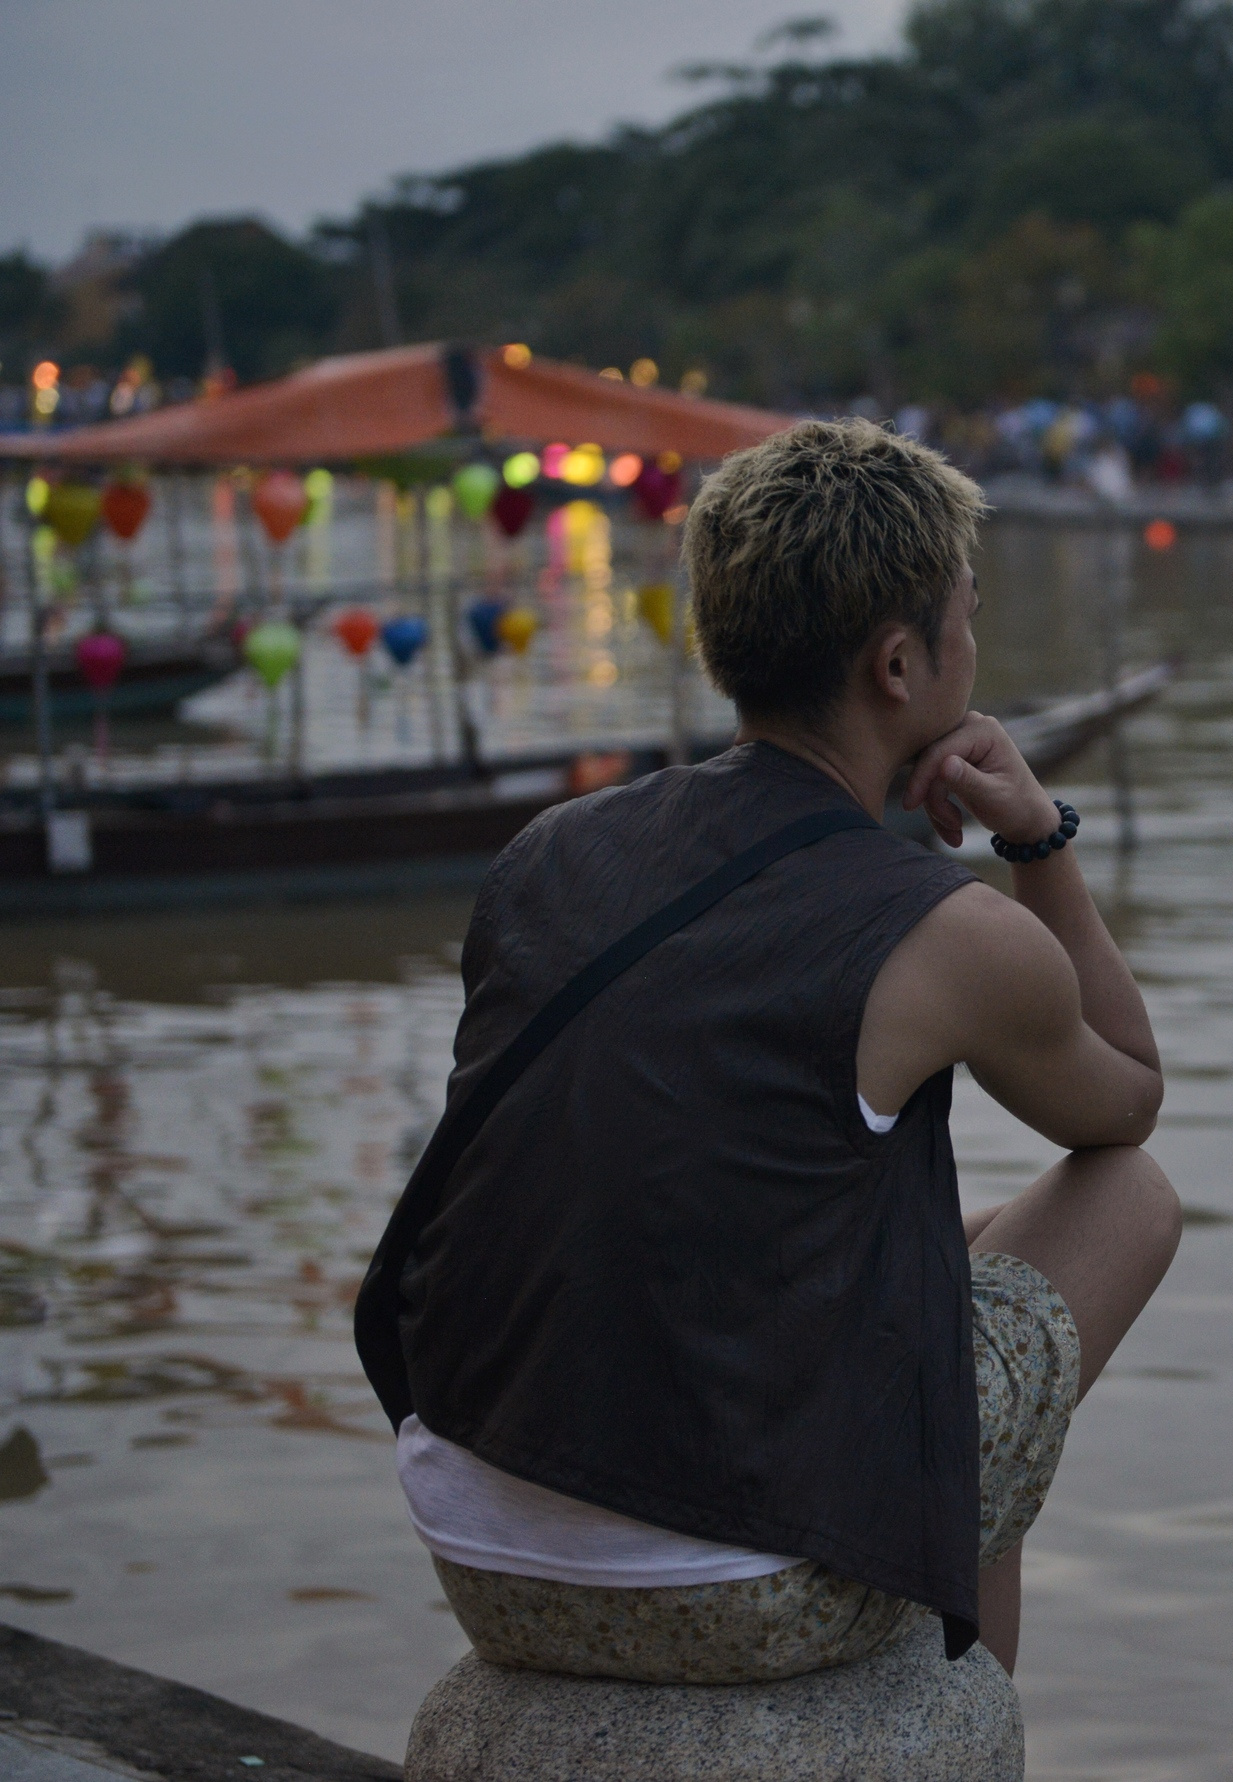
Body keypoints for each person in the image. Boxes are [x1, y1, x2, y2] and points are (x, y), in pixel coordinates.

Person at [357, 419, 1181, 1706]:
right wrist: (1038, 839)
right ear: (899, 664)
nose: (976, 648)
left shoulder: (552, 851)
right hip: (720, 1579)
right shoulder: (945, 932)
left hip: (471, 1524)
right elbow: (1124, 1100)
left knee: (944, 1257)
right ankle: (954, 1726)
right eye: (966, 619)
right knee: (1126, 1204)